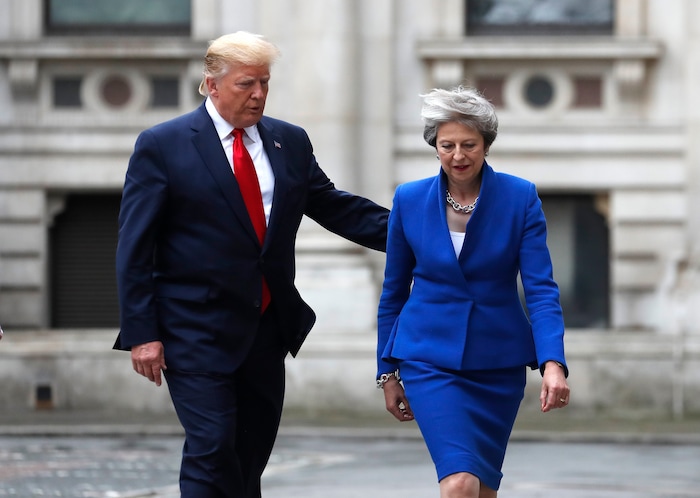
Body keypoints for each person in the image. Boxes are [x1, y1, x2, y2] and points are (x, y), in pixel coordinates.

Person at [114, 31, 388, 498]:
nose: (258, 94)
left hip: (264, 327)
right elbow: (134, 246)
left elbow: (336, 208)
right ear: (211, 85)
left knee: (249, 457)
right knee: (212, 448)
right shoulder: (164, 144)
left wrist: (426, 234)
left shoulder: (289, 142)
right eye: (246, 84)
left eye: (264, 83)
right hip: (193, 329)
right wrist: (142, 332)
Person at [376, 86, 570, 498]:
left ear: (486, 145)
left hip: (497, 364)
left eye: (469, 145)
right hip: (428, 359)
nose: (458, 156)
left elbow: (540, 289)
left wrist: (553, 362)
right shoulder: (408, 200)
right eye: (447, 145)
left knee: (481, 489)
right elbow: (393, 292)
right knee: (459, 483)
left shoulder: (520, 197)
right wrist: (387, 372)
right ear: (435, 145)